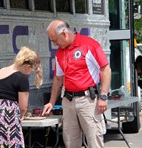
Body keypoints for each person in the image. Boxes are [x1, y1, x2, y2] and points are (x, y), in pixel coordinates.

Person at [42, 20, 111, 148]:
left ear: (64, 34)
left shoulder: (89, 45)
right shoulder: (59, 53)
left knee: (94, 140)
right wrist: (51, 102)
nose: (54, 44)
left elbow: (105, 69)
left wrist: (103, 96)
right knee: (70, 142)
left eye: (55, 40)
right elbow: (58, 79)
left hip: (88, 100)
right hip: (68, 100)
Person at [0, 46, 43, 148]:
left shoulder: (1, 71)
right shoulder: (22, 78)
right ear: (27, 67)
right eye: (31, 71)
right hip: (7, 119)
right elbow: (23, 107)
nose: (29, 74)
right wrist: (21, 117)